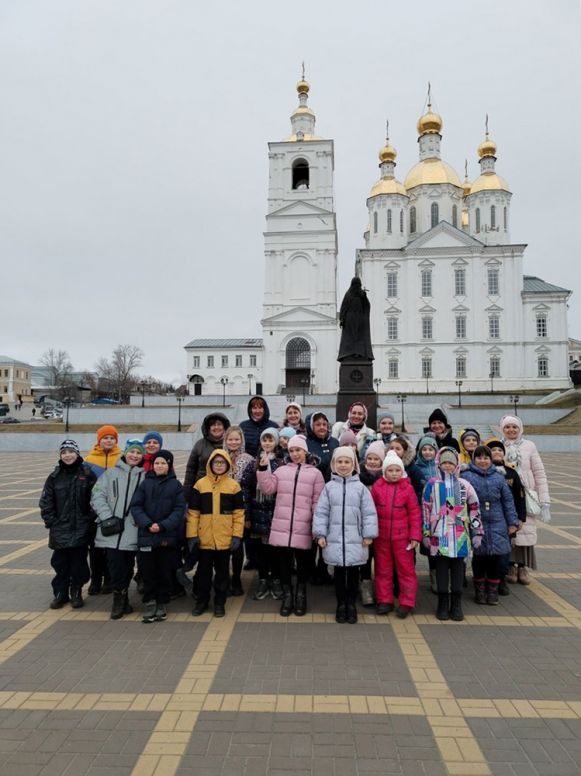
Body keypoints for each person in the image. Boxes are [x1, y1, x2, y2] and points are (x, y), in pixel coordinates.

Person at [257, 434, 325, 617]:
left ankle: (301, 594)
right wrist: (263, 469)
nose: (295, 454)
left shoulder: (315, 473)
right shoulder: (281, 470)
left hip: (304, 526)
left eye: (298, 450)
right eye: (292, 450)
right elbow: (268, 489)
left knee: (304, 563)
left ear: (305, 451)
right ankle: (288, 596)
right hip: (282, 526)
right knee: (284, 564)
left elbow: (318, 502)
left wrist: (317, 527)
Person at [312, 447, 378, 624]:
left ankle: (351, 604)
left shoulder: (361, 489)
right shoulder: (328, 488)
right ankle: (341, 604)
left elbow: (369, 513)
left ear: (353, 464)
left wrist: (368, 534)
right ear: (334, 464)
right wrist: (320, 534)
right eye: (339, 461)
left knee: (354, 572)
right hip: (334, 539)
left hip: (356, 539)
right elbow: (321, 513)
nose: (343, 465)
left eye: (347, 462)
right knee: (339, 573)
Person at [422, 447, 483, 622]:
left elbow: (474, 508)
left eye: (451, 463)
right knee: (441, 568)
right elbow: (425, 509)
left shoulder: (465, 485)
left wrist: (477, 531)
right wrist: (426, 533)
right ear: (438, 464)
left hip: (460, 535)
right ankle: (442, 602)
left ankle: (456, 603)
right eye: (444, 463)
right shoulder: (432, 484)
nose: (447, 466)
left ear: (456, 464)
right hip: (438, 534)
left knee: (458, 568)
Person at [39, 440, 97, 609]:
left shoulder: (87, 474)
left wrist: (89, 520)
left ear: (77, 453)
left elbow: (95, 500)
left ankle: (76, 591)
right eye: (64, 452)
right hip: (60, 529)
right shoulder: (54, 477)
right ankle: (60, 593)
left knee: (78, 563)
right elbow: (46, 501)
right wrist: (51, 521)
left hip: (81, 528)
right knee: (60, 562)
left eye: (71, 451)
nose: (67, 455)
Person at [91, 440, 146, 619]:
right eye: (132, 452)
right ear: (125, 453)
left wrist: (142, 519)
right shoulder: (110, 473)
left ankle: (124, 599)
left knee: (129, 566)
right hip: (112, 530)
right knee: (115, 566)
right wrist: (107, 517)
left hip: (132, 530)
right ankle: (118, 599)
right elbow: (97, 495)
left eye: (138, 453)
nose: (135, 456)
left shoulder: (145, 477)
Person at [187, 450, 245, 618]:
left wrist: (236, 536)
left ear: (227, 465)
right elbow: (193, 513)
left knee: (222, 574)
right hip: (204, 540)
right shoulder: (200, 484)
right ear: (210, 464)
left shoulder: (233, 486)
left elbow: (239, 514)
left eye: (222, 462)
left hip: (224, 540)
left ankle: (220, 603)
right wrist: (192, 535)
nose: (219, 465)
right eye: (216, 462)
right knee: (203, 574)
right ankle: (202, 601)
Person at [131, 450, 186, 623]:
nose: (160, 466)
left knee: (164, 571)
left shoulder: (176, 485)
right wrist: (148, 524)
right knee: (147, 571)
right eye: (157, 463)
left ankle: (162, 602)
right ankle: (149, 602)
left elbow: (179, 510)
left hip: (166, 537)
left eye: (163, 463)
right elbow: (136, 506)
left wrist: (162, 525)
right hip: (146, 535)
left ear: (169, 465)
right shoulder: (145, 484)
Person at [462, 445, 519, 605]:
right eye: (479, 458)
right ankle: (479, 589)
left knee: (496, 558)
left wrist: (512, 522)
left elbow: (508, 501)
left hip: (497, 522)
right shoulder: (466, 476)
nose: (483, 461)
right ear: (474, 459)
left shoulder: (499, 477)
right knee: (479, 558)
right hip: (476, 522)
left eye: (486, 458)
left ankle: (493, 590)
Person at [500, 415, 551, 585]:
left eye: (514, 427)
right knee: (510, 531)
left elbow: (539, 472)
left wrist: (544, 500)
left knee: (526, 532)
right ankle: (510, 566)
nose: (511, 430)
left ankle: (522, 566)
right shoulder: (498, 445)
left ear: (520, 428)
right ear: (502, 429)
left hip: (526, 496)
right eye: (507, 427)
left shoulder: (529, 446)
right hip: (506, 495)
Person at [371, 451, 421, 618]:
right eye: (390, 470)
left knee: (406, 570)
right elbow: (371, 512)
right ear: (384, 471)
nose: (394, 474)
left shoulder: (407, 488)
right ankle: (384, 600)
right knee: (382, 570)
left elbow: (414, 513)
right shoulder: (377, 487)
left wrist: (415, 536)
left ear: (402, 471)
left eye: (397, 470)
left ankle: (407, 601)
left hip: (402, 538)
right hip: (382, 537)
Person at [241, 429, 285, 600]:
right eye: (264, 440)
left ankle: (275, 579)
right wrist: (248, 515)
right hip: (257, 513)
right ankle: (263, 579)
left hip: (275, 514)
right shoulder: (253, 463)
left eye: (270, 439)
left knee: (275, 550)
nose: (267, 443)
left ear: (275, 443)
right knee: (260, 551)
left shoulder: (281, 463)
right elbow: (245, 488)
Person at [486, 438, 527, 595]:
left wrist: (520, 518)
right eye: (493, 450)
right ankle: (487, 579)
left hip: (506, 521)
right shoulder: (481, 471)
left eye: (500, 450)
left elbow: (520, 496)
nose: (497, 452)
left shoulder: (511, 473)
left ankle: (501, 579)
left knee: (504, 553)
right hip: (488, 519)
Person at [84, 425, 122, 595]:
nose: (108, 441)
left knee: (111, 547)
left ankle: (109, 578)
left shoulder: (121, 458)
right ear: (99, 440)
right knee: (95, 547)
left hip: (115, 509)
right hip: (94, 511)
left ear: (116, 441)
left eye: (112, 438)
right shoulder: (89, 460)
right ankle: (96, 579)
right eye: (105, 438)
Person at [223, 425, 255, 596]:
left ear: (242, 440)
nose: (233, 442)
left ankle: (236, 578)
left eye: (237, 439)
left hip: (240, 509)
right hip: (222, 509)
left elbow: (249, 488)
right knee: (223, 545)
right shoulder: (219, 457)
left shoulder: (248, 459)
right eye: (230, 439)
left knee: (237, 546)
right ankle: (224, 577)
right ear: (225, 440)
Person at [358, 440, 385, 606]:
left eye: (376, 459)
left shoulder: (386, 478)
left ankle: (382, 589)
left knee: (381, 559)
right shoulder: (359, 478)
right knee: (365, 558)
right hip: (362, 525)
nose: (373, 462)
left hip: (382, 525)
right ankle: (365, 586)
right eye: (370, 458)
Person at [414, 435, 439, 593]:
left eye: (430, 449)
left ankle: (442, 575)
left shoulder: (440, 467)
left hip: (440, 512)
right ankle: (434, 575)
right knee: (429, 545)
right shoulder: (416, 468)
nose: (427, 452)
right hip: (423, 511)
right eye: (424, 449)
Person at [183, 412, 231, 493]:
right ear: (208, 428)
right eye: (213, 425)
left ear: (224, 426)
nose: (216, 427)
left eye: (219, 424)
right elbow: (191, 470)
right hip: (202, 489)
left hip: (226, 489)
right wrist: (187, 493)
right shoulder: (199, 444)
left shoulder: (231, 443)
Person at [337, 276, 374, 361]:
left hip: (360, 320)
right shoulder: (348, 294)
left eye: (358, 285)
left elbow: (367, 306)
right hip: (350, 319)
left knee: (360, 337)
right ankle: (348, 353)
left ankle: (360, 353)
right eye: (355, 284)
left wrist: (364, 297)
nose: (357, 287)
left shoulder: (362, 294)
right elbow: (343, 307)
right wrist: (342, 319)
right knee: (350, 337)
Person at [305, 411, 339, 480]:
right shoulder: (305, 443)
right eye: (318, 425)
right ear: (311, 427)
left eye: (324, 424)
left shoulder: (335, 442)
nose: (322, 427)